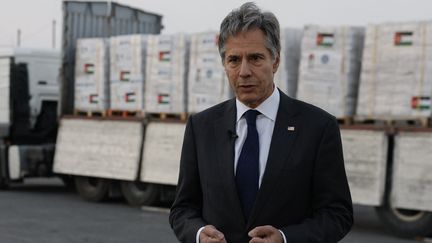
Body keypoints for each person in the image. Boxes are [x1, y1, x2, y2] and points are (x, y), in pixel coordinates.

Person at [169, 2, 353, 243]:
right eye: (234, 60)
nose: (244, 71)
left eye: (255, 58)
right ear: (224, 65)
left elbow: (337, 214)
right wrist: (199, 234)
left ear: (275, 61)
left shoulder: (318, 127)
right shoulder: (201, 127)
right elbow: (182, 209)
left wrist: (287, 239)